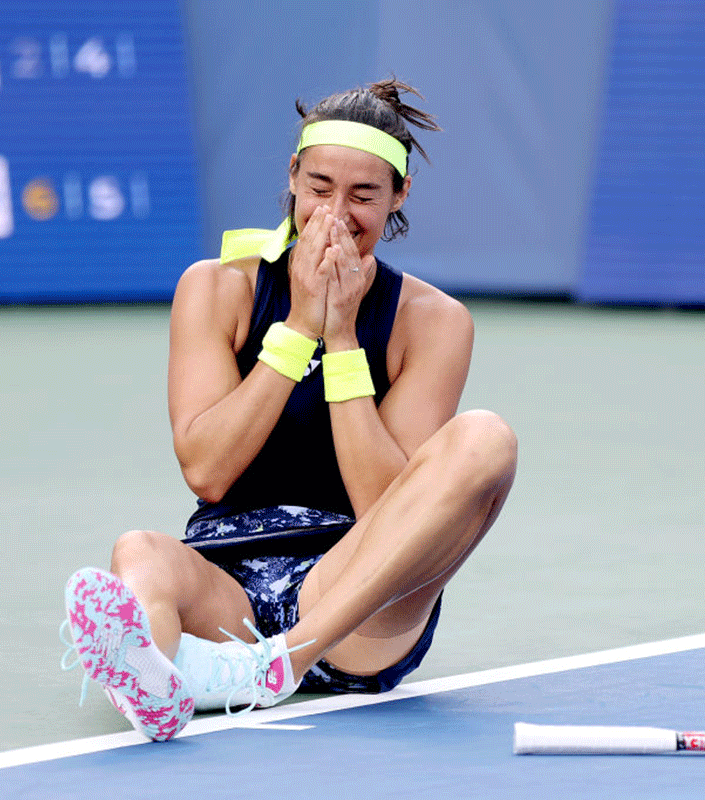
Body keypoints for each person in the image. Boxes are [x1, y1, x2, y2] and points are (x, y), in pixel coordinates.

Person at [60, 78, 518, 741]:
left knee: (484, 440)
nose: (336, 213)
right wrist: (298, 325)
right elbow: (208, 472)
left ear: (399, 197)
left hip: (360, 607)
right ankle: (161, 685)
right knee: (139, 554)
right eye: (320, 187)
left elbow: (387, 511)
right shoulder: (216, 288)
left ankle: (284, 661)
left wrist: (339, 336)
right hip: (228, 588)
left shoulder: (434, 322)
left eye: (363, 196)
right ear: (293, 178)